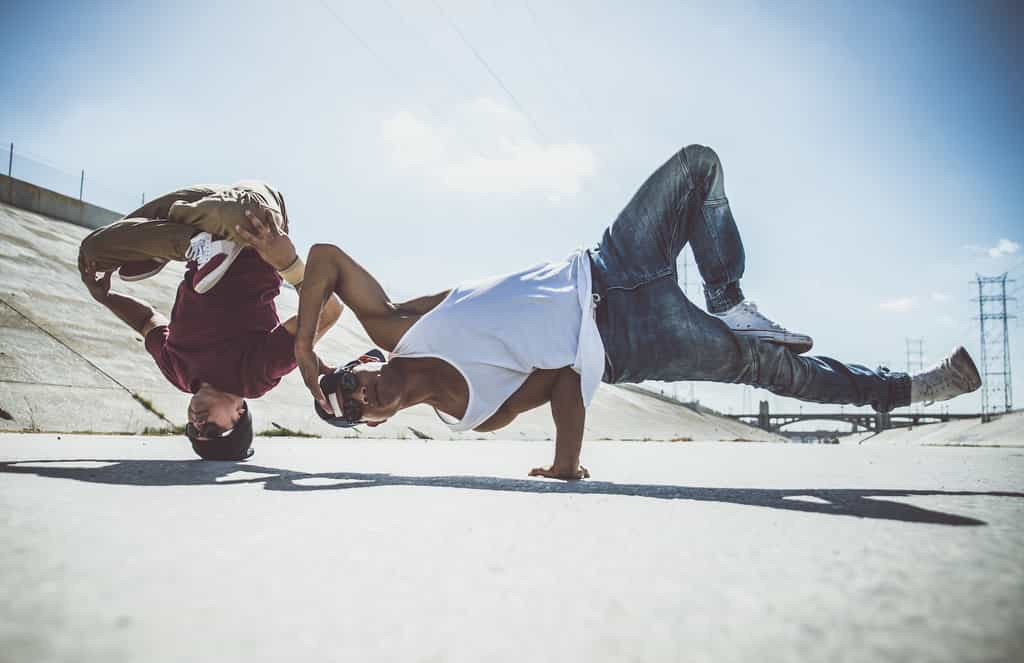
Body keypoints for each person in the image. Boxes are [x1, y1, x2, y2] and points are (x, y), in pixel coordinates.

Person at [275, 145, 981, 479]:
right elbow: (557, 384)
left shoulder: (397, 326)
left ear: (363, 362)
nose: (359, 391)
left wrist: (307, 355)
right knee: (769, 367)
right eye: (352, 407)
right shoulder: (471, 414)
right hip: (629, 340)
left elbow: (328, 256)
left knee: (698, 165)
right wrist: (565, 463)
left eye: (348, 381)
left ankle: (728, 298)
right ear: (375, 421)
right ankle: (906, 389)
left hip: (607, 263)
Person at [77, 182, 342, 460]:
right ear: (240, 414)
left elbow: (146, 321)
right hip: (253, 232)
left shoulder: (177, 372)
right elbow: (329, 311)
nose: (198, 425)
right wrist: (288, 263)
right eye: (214, 431)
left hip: (200, 221)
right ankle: (178, 239)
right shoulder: (254, 376)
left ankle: (185, 243)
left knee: (93, 252)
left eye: (192, 432)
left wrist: (105, 297)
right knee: (247, 213)